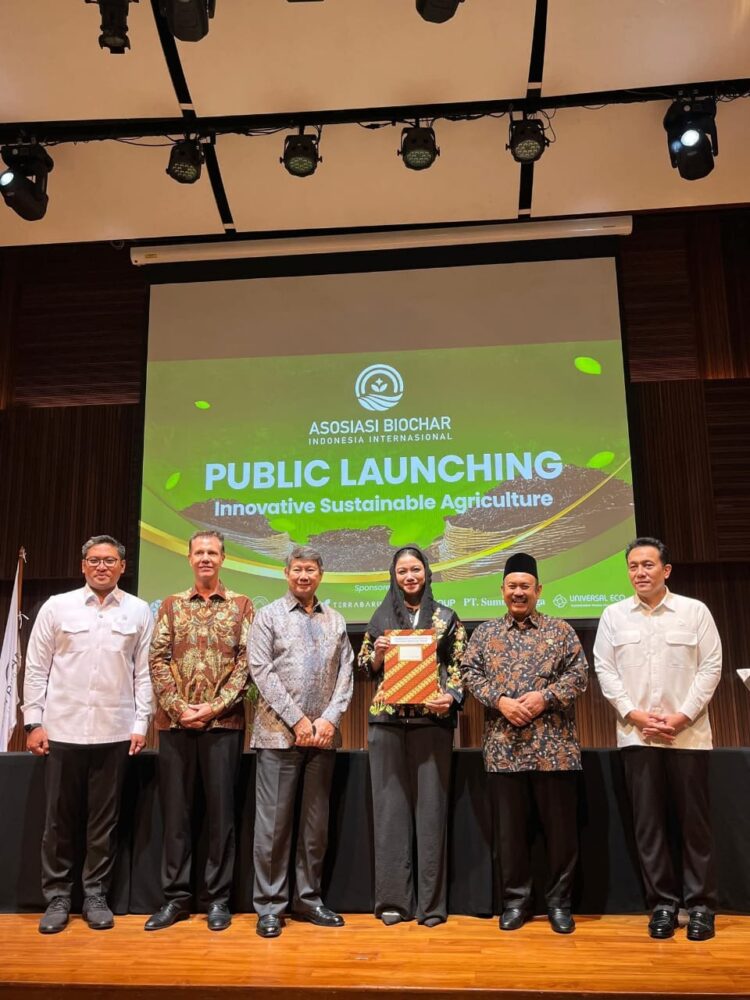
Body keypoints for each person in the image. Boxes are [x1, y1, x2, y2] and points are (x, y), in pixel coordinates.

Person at [22, 534, 154, 935]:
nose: (102, 566)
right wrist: (33, 721)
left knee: (104, 823)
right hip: (61, 730)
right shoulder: (57, 607)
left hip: (115, 732)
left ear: (122, 567)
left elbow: (144, 672)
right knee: (58, 823)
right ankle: (58, 898)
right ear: (83, 566)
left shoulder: (138, 610)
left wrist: (141, 722)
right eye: (95, 560)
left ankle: (95, 895)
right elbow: (36, 668)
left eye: (109, 561)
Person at [593, 537, 722, 942]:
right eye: (633, 566)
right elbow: (605, 670)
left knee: (694, 825)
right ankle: (663, 905)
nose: (640, 573)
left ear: (666, 570)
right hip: (637, 735)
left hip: (688, 736)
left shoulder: (694, 611)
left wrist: (682, 717)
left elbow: (711, 667)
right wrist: (633, 714)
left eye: (648, 565)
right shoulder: (614, 615)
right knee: (648, 827)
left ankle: (700, 906)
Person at [461, 552, 588, 934]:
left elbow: (579, 675)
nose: (519, 593)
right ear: (502, 590)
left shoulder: (561, 630)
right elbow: (469, 672)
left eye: (525, 587)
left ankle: (559, 904)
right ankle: (515, 902)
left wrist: (544, 698)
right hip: (504, 750)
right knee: (510, 834)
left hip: (555, 750)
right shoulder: (484, 634)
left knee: (561, 834)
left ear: (538, 590)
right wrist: (499, 700)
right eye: (512, 586)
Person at [146, 530, 254, 932]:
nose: (206, 558)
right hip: (175, 727)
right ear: (189, 558)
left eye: (212, 552)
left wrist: (213, 707)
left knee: (221, 818)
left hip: (224, 726)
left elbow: (246, 665)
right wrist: (179, 708)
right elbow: (156, 660)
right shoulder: (171, 606)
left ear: (223, 559)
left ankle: (218, 900)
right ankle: (175, 899)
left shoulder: (242, 606)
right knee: (176, 816)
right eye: (199, 552)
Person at [248, 545, 354, 938]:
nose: (303, 576)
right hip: (278, 737)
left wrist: (328, 719)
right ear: (286, 573)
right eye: (297, 570)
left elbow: (347, 676)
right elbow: (261, 671)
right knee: (273, 828)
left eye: (310, 570)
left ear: (320, 575)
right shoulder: (268, 616)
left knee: (314, 827)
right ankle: (271, 906)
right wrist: (298, 720)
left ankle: (308, 899)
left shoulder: (337, 620)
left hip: (323, 739)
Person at [358, 545, 466, 927]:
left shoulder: (446, 617)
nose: (409, 576)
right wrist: (378, 653)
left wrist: (450, 698)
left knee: (431, 812)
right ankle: (394, 902)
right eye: (402, 571)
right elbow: (364, 664)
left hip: (431, 725)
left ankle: (431, 907)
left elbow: (458, 668)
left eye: (415, 570)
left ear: (427, 573)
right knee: (389, 813)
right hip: (387, 724)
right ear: (394, 575)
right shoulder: (381, 615)